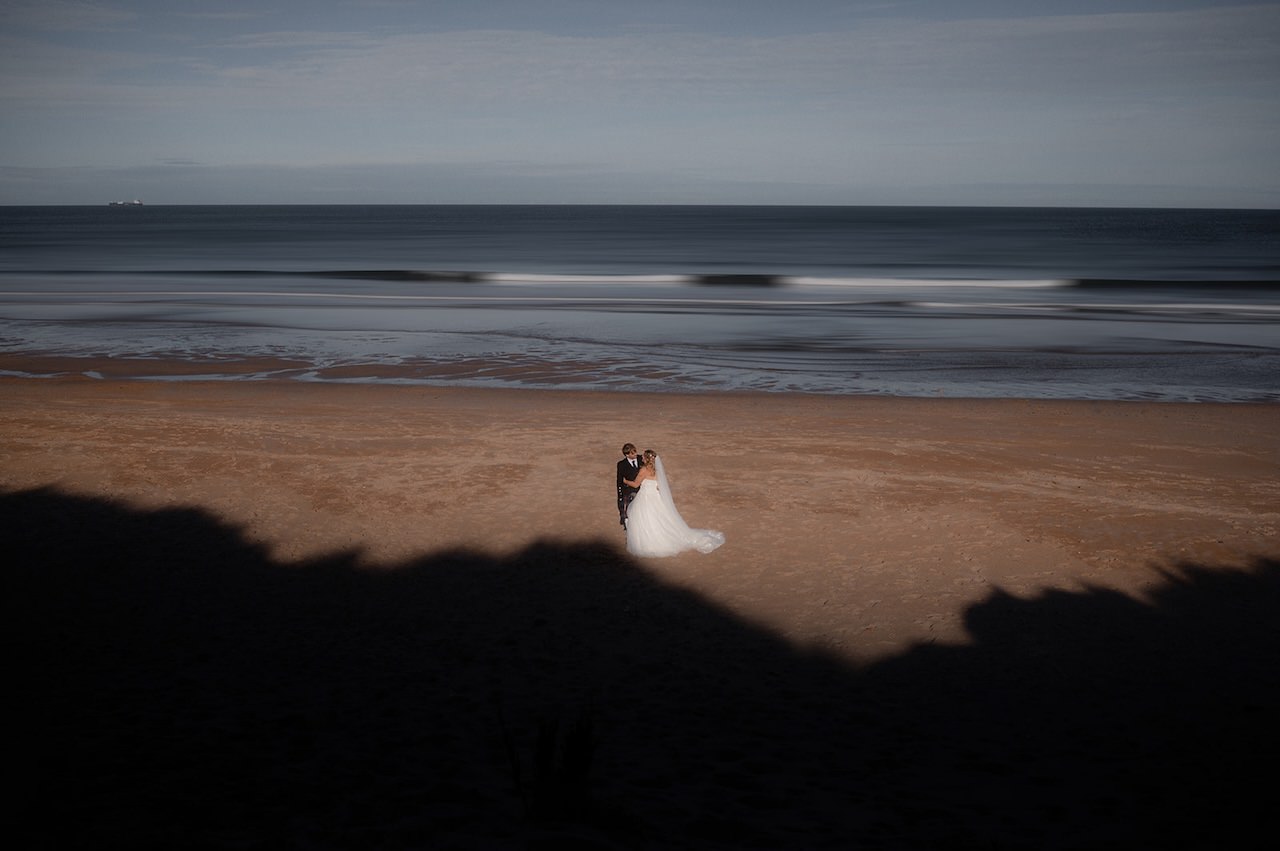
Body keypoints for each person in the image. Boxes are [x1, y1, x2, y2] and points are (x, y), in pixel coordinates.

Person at [622, 450, 724, 557]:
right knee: (659, 518)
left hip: (645, 497)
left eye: (643, 457)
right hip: (656, 497)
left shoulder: (643, 470)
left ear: (647, 459)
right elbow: (659, 485)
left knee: (643, 518)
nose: (641, 458)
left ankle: (648, 542)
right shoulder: (657, 470)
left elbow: (635, 484)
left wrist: (625, 481)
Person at [616, 443, 641, 528]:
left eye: (635, 451)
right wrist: (620, 495)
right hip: (629, 490)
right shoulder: (621, 464)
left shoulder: (642, 459)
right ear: (627, 455)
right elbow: (619, 480)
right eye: (632, 453)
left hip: (642, 489)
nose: (636, 454)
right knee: (629, 509)